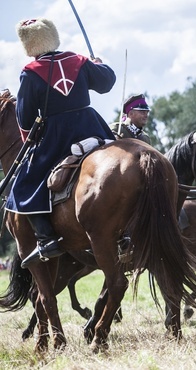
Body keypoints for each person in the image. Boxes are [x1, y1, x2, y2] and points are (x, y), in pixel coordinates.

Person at [7, 18, 116, 268]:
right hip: (92, 126)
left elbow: (24, 119)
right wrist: (99, 64)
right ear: (52, 36)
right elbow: (107, 83)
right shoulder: (79, 60)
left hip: (56, 135)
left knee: (24, 182)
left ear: (29, 44)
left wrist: (30, 142)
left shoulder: (30, 72)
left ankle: (46, 239)